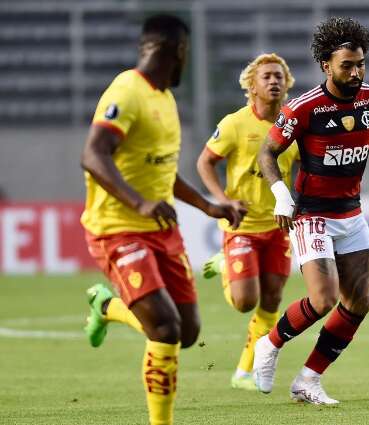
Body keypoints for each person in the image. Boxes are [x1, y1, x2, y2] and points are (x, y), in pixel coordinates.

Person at [254, 17, 369, 405]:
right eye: (347, 66)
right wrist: (279, 194)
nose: (356, 72)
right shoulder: (305, 108)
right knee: (322, 299)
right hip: (311, 213)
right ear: (326, 65)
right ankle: (268, 345)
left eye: (360, 64)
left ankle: (308, 380)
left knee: (359, 302)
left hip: (350, 214)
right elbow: (267, 152)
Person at [80, 15, 244, 425]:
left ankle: (106, 307)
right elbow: (93, 154)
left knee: (187, 332)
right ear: (179, 52)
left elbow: (162, 171)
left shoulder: (166, 101)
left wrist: (209, 207)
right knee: (165, 329)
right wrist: (138, 203)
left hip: (161, 232)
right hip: (117, 229)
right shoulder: (126, 92)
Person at [196, 53, 299, 391]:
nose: (274, 81)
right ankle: (225, 263)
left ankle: (244, 371)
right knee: (244, 302)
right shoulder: (234, 124)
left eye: (279, 76)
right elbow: (205, 163)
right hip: (241, 225)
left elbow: (306, 166)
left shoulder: (292, 125)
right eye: (266, 76)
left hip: (278, 225)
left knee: (271, 299)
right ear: (251, 86)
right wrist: (222, 200)